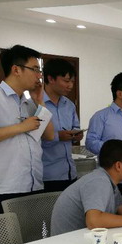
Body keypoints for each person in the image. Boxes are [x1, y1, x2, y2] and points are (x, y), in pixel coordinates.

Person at [0, 45, 55, 215]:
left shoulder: (28, 102)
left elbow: (49, 135)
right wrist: (21, 127)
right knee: (8, 232)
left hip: (33, 183)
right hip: (4, 187)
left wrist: (40, 101)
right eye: (35, 69)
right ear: (16, 70)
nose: (39, 76)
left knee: (36, 232)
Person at [51, 139, 122, 236]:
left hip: (83, 239)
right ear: (118, 166)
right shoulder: (98, 181)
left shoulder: (108, 181)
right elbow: (93, 221)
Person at [41, 58, 82, 192]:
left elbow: (75, 127)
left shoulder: (69, 105)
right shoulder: (35, 104)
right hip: (47, 175)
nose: (70, 85)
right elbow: (31, 139)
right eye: (66, 81)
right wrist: (58, 136)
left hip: (70, 172)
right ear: (50, 79)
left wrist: (77, 135)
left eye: (72, 81)